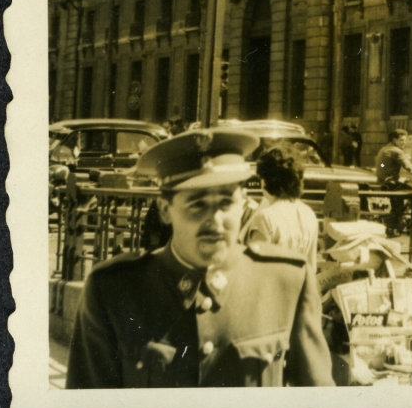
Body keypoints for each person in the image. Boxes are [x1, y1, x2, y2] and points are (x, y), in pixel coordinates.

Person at [66, 128, 333, 389]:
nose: (215, 221)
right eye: (197, 205)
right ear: (165, 210)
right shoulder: (112, 291)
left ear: (244, 203)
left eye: (226, 203)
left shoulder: (288, 280)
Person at [243, 146, 319, 271]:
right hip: (298, 286)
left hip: (272, 288)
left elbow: (254, 269)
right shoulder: (309, 214)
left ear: (267, 179)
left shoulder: (265, 217)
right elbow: (311, 268)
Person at [374, 128, 412, 233]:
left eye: (405, 140)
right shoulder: (396, 151)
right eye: (402, 140)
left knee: (399, 200)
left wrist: (387, 169)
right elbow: (409, 167)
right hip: (391, 182)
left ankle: (398, 222)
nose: (404, 143)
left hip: (384, 181)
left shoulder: (384, 149)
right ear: (394, 140)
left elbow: (382, 164)